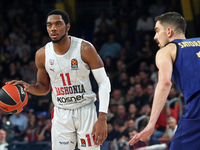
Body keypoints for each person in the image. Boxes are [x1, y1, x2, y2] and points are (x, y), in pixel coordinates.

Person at [6, 9, 111, 150]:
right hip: (61, 113)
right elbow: (43, 87)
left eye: (58, 24)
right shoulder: (42, 54)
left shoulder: (84, 48)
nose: (53, 28)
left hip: (86, 110)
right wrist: (29, 87)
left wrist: (102, 118)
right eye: (49, 25)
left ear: (67, 27)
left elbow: (104, 82)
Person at [128, 12, 200, 150]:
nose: (155, 37)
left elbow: (165, 83)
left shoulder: (167, 50)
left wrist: (151, 123)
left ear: (169, 31)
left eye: (157, 31)